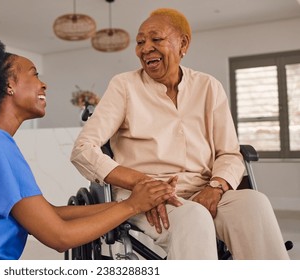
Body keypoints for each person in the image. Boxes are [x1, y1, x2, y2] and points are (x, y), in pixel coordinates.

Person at [0, 33, 178, 260]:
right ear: (7, 85)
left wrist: (136, 202)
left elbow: (50, 213)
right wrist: (132, 206)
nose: (43, 84)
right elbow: (59, 236)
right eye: (34, 74)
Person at [70, 8, 290, 260]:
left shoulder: (208, 87)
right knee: (193, 217)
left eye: (156, 39)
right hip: (147, 198)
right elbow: (83, 149)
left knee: (254, 203)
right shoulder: (124, 86)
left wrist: (217, 187)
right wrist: (142, 184)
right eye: (140, 42)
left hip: (205, 190)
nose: (145, 48)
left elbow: (229, 152)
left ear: (183, 43)